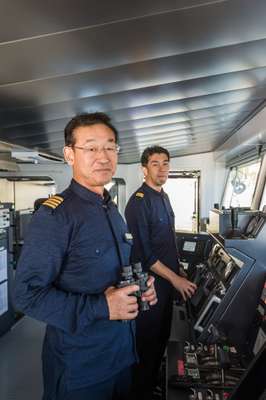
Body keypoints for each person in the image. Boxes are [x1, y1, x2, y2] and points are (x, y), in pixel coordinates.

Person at [14, 113, 157, 400]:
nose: (103, 157)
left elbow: (113, 271)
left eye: (110, 147)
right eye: (91, 148)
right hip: (80, 369)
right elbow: (26, 294)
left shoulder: (111, 210)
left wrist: (141, 288)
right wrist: (102, 307)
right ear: (70, 154)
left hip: (121, 356)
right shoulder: (56, 216)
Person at [125, 145, 197, 400]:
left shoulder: (164, 197)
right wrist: (175, 278)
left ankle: (152, 384)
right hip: (150, 287)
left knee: (162, 338)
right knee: (147, 342)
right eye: (155, 163)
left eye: (165, 163)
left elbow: (168, 242)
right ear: (144, 169)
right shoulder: (138, 203)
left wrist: (180, 273)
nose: (162, 168)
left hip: (168, 283)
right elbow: (146, 255)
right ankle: (139, 392)